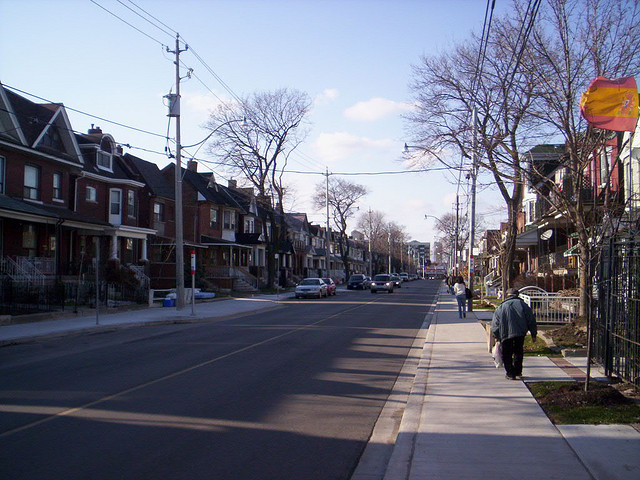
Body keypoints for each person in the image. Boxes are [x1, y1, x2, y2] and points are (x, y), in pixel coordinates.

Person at [490, 288, 537, 380]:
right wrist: (533, 334)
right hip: (520, 333)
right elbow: (531, 320)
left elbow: (495, 323)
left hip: (505, 334)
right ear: (517, 295)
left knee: (507, 353)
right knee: (518, 352)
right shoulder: (523, 305)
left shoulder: (501, 307)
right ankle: (518, 371)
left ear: (507, 295)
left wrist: (496, 335)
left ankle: (510, 373)